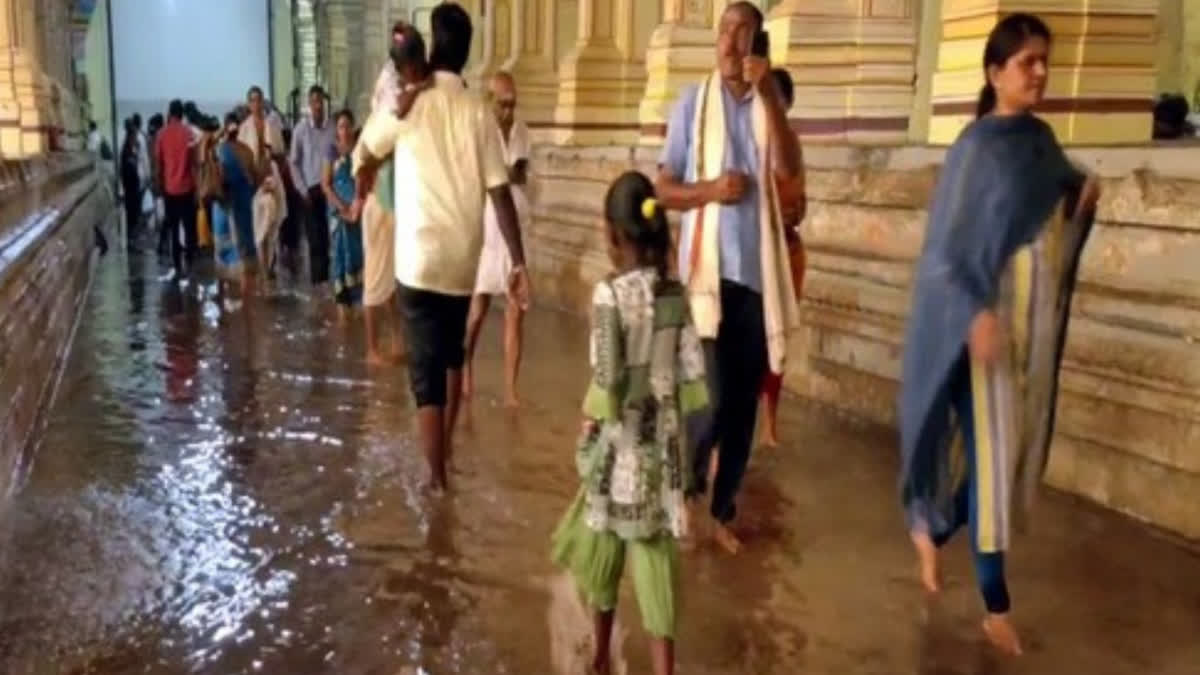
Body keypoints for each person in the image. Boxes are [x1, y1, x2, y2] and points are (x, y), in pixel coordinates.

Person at [898, 13, 1101, 657]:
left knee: (999, 468)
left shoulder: (1040, 141)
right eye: (1025, 63)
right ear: (995, 73)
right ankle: (996, 608)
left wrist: (1083, 196)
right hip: (977, 332)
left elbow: (1065, 188)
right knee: (990, 469)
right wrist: (975, 313)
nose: (1039, 71)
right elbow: (945, 253)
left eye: (1044, 59)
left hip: (1023, 338)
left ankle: (930, 531)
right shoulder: (973, 152)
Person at [353, 11, 529, 492]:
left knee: (425, 377)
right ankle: (445, 456)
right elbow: (500, 192)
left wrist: (364, 166)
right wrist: (519, 262)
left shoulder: (411, 106)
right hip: (461, 261)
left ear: (433, 49)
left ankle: (435, 478)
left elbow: (367, 144)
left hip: (417, 260)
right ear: (468, 52)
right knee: (452, 359)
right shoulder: (479, 111)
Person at [655, 1, 803, 554]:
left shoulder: (769, 107)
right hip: (705, 282)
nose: (731, 40)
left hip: (756, 281)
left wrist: (769, 96)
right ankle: (688, 494)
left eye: (743, 31)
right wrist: (711, 190)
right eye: (724, 29)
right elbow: (664, 188)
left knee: (742, 411)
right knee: (712, 401)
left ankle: (722, 510)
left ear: (759, 44)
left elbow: (789, 170)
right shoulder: (692, 106)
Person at [551, 171, 708, 675]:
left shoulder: (608, 295)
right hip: (661, 455)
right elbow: (690, 378)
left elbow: (606, 380)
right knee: (656, 563)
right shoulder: (674, 294)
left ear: (611, 233)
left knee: (603, 558)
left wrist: (587, 427)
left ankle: (599, 658)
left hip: (617, 448)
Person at [462, 71, 531, 407]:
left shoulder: (521, 131)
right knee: (477, 310)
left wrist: (504, 173)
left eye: (513, 104)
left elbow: (519, 172)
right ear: (489, 102)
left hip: (515, 226)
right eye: (503, 104)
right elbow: (495, 177)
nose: (509, 111)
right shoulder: (477, 131)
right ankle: (466, 368)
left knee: (516, 310)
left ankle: (511, 388)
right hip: (486, 228)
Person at [758, 67, 807, 448]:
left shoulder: (790, 147)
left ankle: (770, 422)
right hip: (756, 256)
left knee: (777, 340)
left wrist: (791, 211)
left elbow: (798, 204)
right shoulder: (752, 139)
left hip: (785, 253)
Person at [356, 21, 409, 365]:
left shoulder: (392, 84)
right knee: (376, 280)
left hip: (389, 196)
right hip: (380, 199)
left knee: (388, 278)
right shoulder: (392, 87)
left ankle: (397, 340)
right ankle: (373, 349)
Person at [289, 85, 337, 288]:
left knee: (329, 239)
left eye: (321, 101)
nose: (318, 106)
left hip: (330, 189)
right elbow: (293, 162)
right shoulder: (300, 130)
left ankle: (328, 286)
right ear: (309, 105)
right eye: (314, 101)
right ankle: (319, 287)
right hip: (310, 191)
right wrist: (301, 189)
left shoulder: (333, 128)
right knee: (315, 240)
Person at [239, 85, 289, 280]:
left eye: (258, 99)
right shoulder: (244, 129)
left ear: (263, 101)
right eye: (252, 100)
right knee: (259, 222)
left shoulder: (271, 126)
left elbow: (281, 154)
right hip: (254, 181)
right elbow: (242, 158)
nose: (256, 104)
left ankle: (269, 265)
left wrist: (273, 165)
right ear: (248, 104)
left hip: (272, 177)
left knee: (273, 221)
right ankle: (264, 269)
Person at [209, 111, 259, 298]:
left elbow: (205, 145)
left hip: (224, 205)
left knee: (223, 250)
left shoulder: (218, 150)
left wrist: (221, 132)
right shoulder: (246, 151)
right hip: (242, 203)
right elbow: (255, 179)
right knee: (245, 250)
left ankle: (224, 298)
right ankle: (247, 304)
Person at [322, 109, 365, 314]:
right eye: (341, 126)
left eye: (348, 125)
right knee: (339, 253)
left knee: (358, 254)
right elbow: (326, 185)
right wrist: (341, 207)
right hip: (338, 213)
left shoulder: (358, 150)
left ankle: (356, 305)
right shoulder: (331, 151)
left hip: (357, 213)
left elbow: (362, 179)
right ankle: (341, 305)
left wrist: (356, 204)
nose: (345, 130)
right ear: (336, 130)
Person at [155, 100, 198, 275]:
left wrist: (159, 185)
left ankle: (177, 266)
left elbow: (158, 164)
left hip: (169, 189)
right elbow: (194, 163)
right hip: (187, 188)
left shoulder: (161, 135)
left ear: (170, 113)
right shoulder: (189, 134)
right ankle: (190, 262)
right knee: (188, 228)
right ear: (182, 114)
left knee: (173, 229)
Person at [119, 118, 142, 245]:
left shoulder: (128, 148)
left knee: (133, 213)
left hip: (131, 186)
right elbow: (128, 169)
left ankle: (131, 238)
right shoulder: (127, 150)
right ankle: (130, 240)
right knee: (132, 213)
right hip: (131, 187)